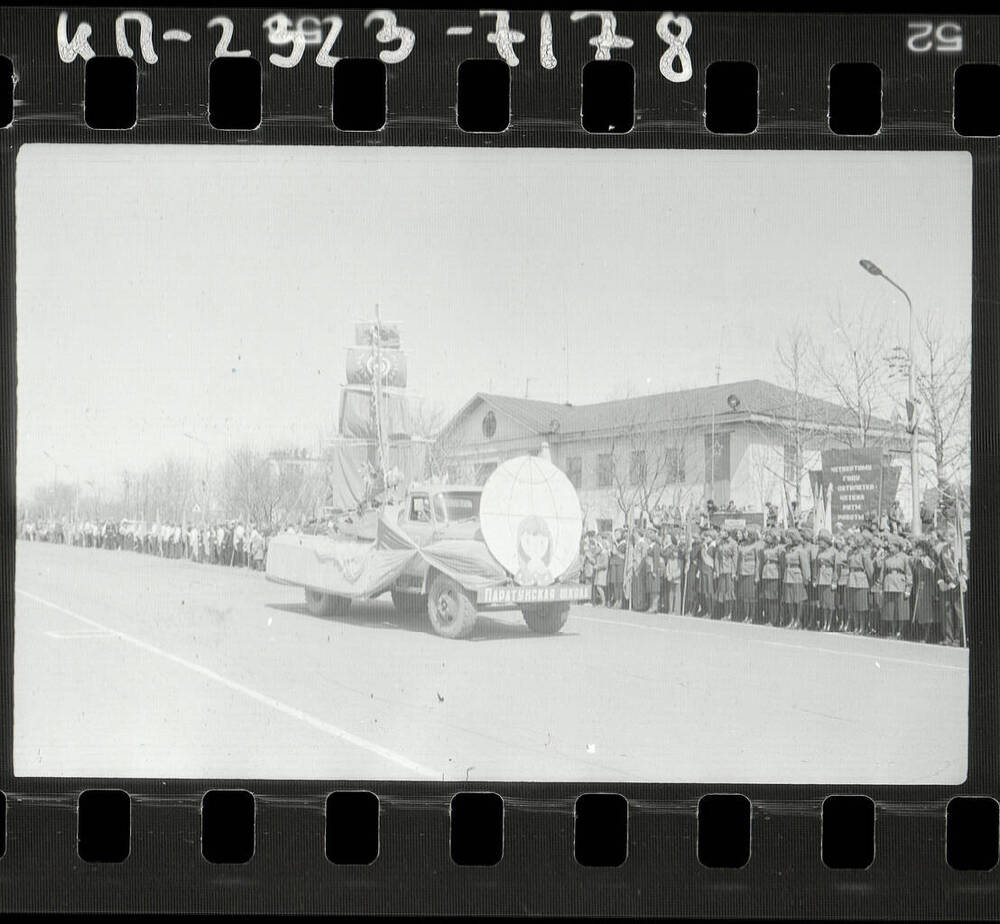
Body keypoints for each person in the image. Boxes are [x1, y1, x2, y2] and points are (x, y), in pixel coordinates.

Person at [936, 528, 963, 646]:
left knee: (958, 611)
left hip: (958, 585)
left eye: (949, 537)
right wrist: (941, 581)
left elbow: (963, 569)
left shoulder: (960, 551)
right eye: (946, 537)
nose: (947, 539)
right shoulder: (944, 550)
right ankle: (948, 637)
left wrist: (957, 581)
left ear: (954, 537)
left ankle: (958, 638)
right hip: (947, 585)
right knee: (946, 611)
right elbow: (940, 566)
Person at [881, 534, 910, 639]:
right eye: (889, 545)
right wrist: (881, 587)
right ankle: (892, 631)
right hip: (889, 585)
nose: (889, 547)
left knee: (901, 610)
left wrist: (908, 588)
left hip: (900, 585)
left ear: (897, 546)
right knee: (891, 610)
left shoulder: (905, 558)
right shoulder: (886, 558)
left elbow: (909, 574)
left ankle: (900, 632)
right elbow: (882, 573)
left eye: (892, 545)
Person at [910, 538, 938, 643]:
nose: (917, 551)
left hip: (928, 587)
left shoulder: (927, 559)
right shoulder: (917, 561)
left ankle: (926, 636)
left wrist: (926, 563)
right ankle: (921, 634)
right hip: (920, 588)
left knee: (927, 613)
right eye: (917, 549)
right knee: (920, 613)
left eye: (919, 549)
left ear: (924, 550)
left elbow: (933, 572)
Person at [781, 529, 810, 629]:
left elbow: (805, 566)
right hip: (788, 576)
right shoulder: (787, 549)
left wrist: (806, 578)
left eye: (789, 537)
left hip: (797, 576)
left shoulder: (801, 550)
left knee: (798, 600)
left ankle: (798, 620)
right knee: (789, 600)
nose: (787, 539)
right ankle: (792, 619)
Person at [845, 531, 873, 635]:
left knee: (861, 607)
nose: (851, 543)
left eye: (853, 541)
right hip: (852, 579)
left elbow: (870, 570)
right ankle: (856, 627)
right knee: (853, 606)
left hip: (861, 580)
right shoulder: (851, 553)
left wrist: (870, 581)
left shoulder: (864, 554)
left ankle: (862, 627)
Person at [735, 528, 759, 624]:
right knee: (744, 595)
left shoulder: (755, 546)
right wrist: (737, 572)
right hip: (742, 571)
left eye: (746, 533)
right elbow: (738, 560)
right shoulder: (742, 545)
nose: (745, 535)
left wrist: (757, 575)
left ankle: (751, 616)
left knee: (751, 596)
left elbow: (758, 561)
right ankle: (746, 615)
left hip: (751, 572)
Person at [714, 528, 737, 621]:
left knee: (729, 592)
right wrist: (717, 570)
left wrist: (734, 572)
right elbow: (717, 557)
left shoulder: (733, 543)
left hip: (729, 570)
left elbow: (735, 558)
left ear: (727, 532)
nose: (721, 533)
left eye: (722, 531)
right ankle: (725, 613)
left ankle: (730, 613)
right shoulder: (720, 543)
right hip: (722, 570)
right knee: (722, 592)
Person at [609, 529, 626, 608]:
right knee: (614, 583)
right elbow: (612, 552)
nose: (616, 535)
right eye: (615, 534)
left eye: (617, 534)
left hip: (620, 564)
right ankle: (616, 600)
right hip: (614, 563)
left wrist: (615, 542)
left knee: (619, 582)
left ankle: (620, 600)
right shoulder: (615, 543)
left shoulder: (623, 543)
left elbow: (618, 552)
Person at [593, 535, 609, 607]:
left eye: (598, 546)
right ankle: (602, 602)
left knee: (599, 587)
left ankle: (604, 602)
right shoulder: (599, 554)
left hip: (602, 572)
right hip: (599, 572)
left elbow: (605, 565)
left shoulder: (604, 554)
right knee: (598, 587)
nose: (596, 548)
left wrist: (598, 566)